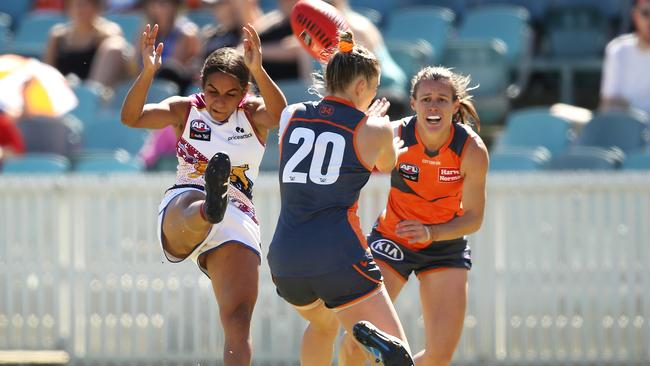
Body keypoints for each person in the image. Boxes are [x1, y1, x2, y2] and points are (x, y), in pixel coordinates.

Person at [120, 22, 286, 365]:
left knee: (238, 319)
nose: (219, 102)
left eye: (230, 94)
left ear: (244, 91)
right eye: (212, 92)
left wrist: (258, 68)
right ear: (202, 86)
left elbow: (282, 114)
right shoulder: (185, 109)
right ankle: (208, 209)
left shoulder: (253, 114)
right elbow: (131, 117)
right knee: (194, 203)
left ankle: (215, 208)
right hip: (186, 199)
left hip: (237, 213)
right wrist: (149, 71)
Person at [267, 31, 414, 365]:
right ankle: (380, 345)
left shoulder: (291, 114)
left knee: (323, 324)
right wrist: (380, 126)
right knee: (399, 354)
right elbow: (387, 163)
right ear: (361, 87)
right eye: (372, 89)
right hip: (339, 256)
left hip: (286, 259)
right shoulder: (371, 128)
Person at [339, 66, 489, 366]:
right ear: (413, 104)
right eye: (426, 99)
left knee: (439, 356)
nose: (433, 106)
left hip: (444, 245)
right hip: (393, 238)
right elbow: (348, 163)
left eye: (442, 100)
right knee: (357, 340)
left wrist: (431, 232)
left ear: (455, 106)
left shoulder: (471, 149)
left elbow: (473, 219)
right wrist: (365, 127)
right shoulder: (394, 135)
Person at [44, 0, 134, 88]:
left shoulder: (107, 34)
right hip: (63, 95)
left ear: (96, 7)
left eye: (85, 4)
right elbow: (47, 73)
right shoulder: (57, 36)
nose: (80, 9)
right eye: (76, 4)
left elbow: (129, 66)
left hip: (97, 98)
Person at [139, 0, 202, 93]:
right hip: (150, 84)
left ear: (176, 6)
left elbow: (173, 68)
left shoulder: (186, 34)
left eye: (163, 3)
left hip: (174, 87)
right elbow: (136, 66)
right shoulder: (145, 31)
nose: (157, 7)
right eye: (153, 3)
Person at [600, 0, 650, 115]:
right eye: (645, 13)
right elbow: (608, 102)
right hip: (627, 128)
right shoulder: (618, 50)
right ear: (635, 15)